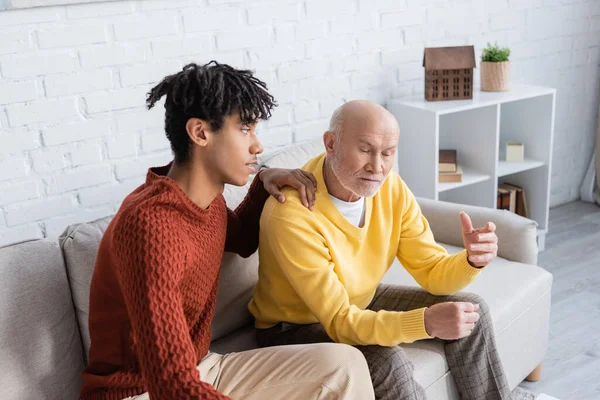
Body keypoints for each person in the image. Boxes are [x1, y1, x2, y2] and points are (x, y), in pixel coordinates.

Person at [81, 62, 375, 400]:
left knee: (344, 365)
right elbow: (171, 385)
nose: (258, 145)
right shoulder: (150, 225)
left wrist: (264, 183)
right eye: (245, 129)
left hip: (202, 369)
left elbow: (243, 241)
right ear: (200, 133)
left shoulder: (206, 198)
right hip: (138, 392)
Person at [249, 99, 512, 400]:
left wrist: (471, 260)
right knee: (388, 362)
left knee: (471, 312)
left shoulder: (391, 189)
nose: (377, 167)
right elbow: (339, 321)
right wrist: (425, 323)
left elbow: (432, 272)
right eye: (365, 150)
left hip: (358, 301)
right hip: (292, 327)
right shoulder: (291, 214)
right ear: (331, 143)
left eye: (388, 154)